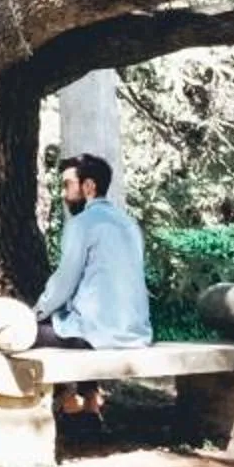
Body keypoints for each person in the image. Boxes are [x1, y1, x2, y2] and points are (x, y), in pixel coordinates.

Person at [35, 153, 151, 416]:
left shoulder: (81, 224)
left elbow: (64, 282)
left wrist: (37, 311)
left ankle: (65, 396)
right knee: (72, 324)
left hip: (97, 335)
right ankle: (89, 399)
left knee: (26, 332)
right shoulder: (129, 224)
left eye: (68, 185)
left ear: (88, 186)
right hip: (136, 333)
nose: (64, 194)